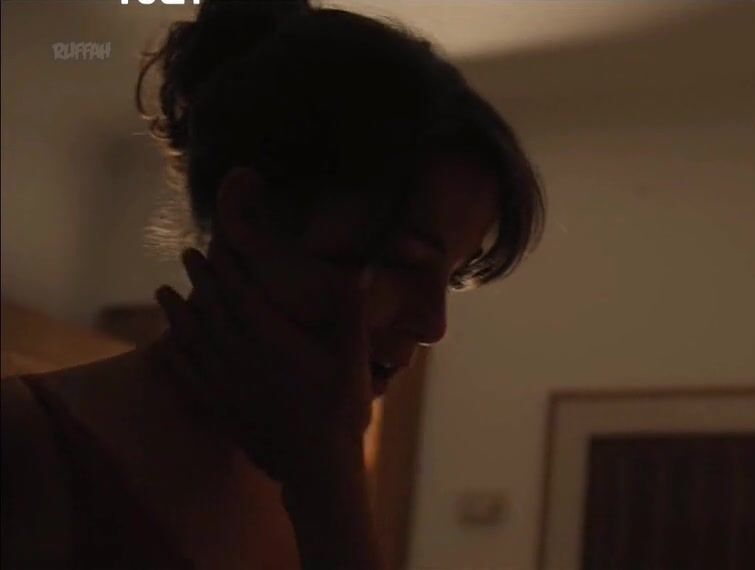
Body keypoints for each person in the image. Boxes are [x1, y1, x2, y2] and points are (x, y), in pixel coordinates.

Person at [0, 0, 543, 568]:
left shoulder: (320, 482)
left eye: (451, 277)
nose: (433, 324)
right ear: (250, 215)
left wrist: (329, 484)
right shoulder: (24, 449)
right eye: (403, 260)